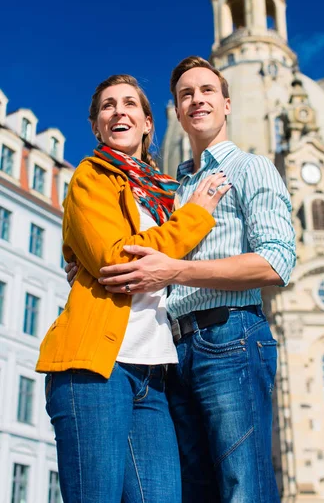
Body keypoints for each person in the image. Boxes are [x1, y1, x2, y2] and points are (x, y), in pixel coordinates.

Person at [93, 57, 297, 503]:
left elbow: (277, 262)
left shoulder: (251, 167)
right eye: (186, 95)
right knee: (193, 492)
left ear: (226, 104)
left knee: (244, 487)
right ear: (176, 113)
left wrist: (177, 270)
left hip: (231, 336)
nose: (196, 100)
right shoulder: (169, 187)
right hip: (171, 351)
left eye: (206, 91)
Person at [36, 73, 231, 503]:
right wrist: (195, 216)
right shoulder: (91, 176)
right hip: (94, 369)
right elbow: (118, 261)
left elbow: (173, 269)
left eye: (129, 104)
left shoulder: (163, 195)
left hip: (153, 374)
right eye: (107, 106)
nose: (118, 111)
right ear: (96, 126)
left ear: (147, 123)